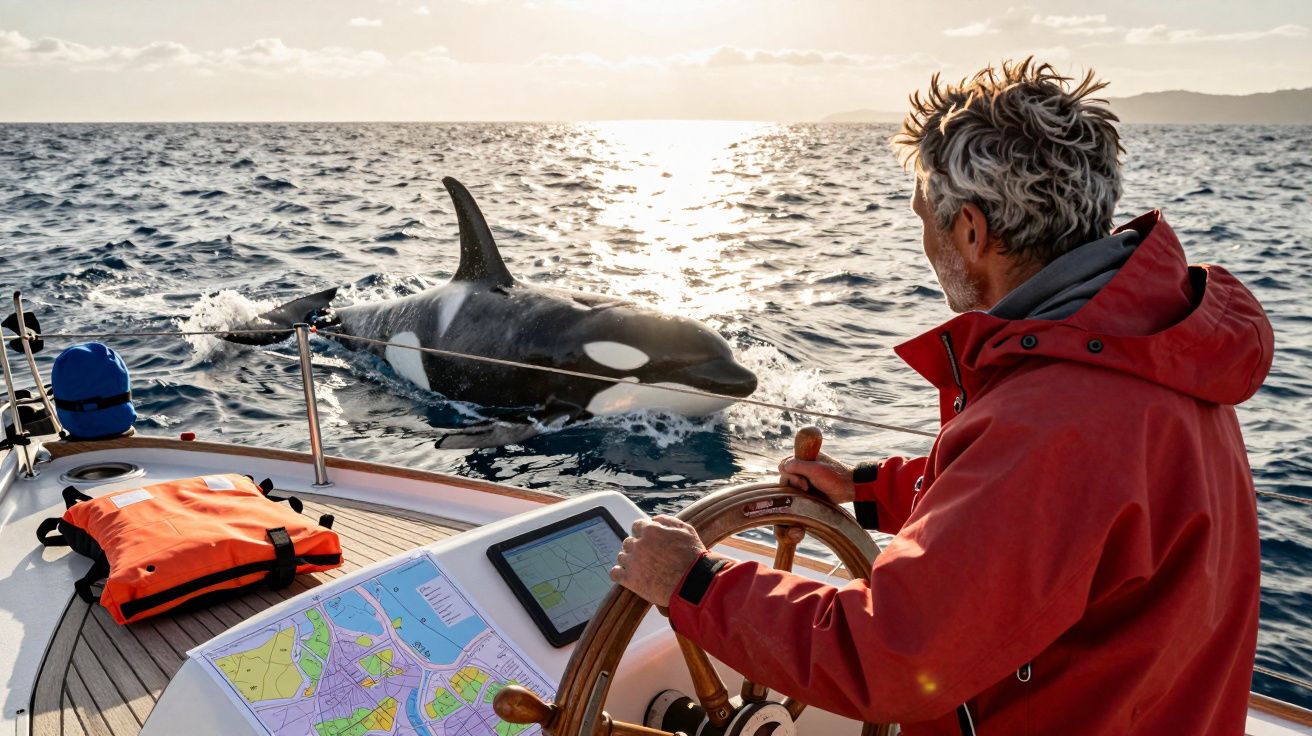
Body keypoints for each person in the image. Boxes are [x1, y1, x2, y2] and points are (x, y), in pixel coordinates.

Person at [609, 58, 1274, 735]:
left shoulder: (1055, 418)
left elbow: (890, 656)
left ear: (973, 233)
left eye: (924, 216)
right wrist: (867, 489)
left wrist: (693, 582)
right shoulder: (1161, 352)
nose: (924, 240)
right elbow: (1062, 517)